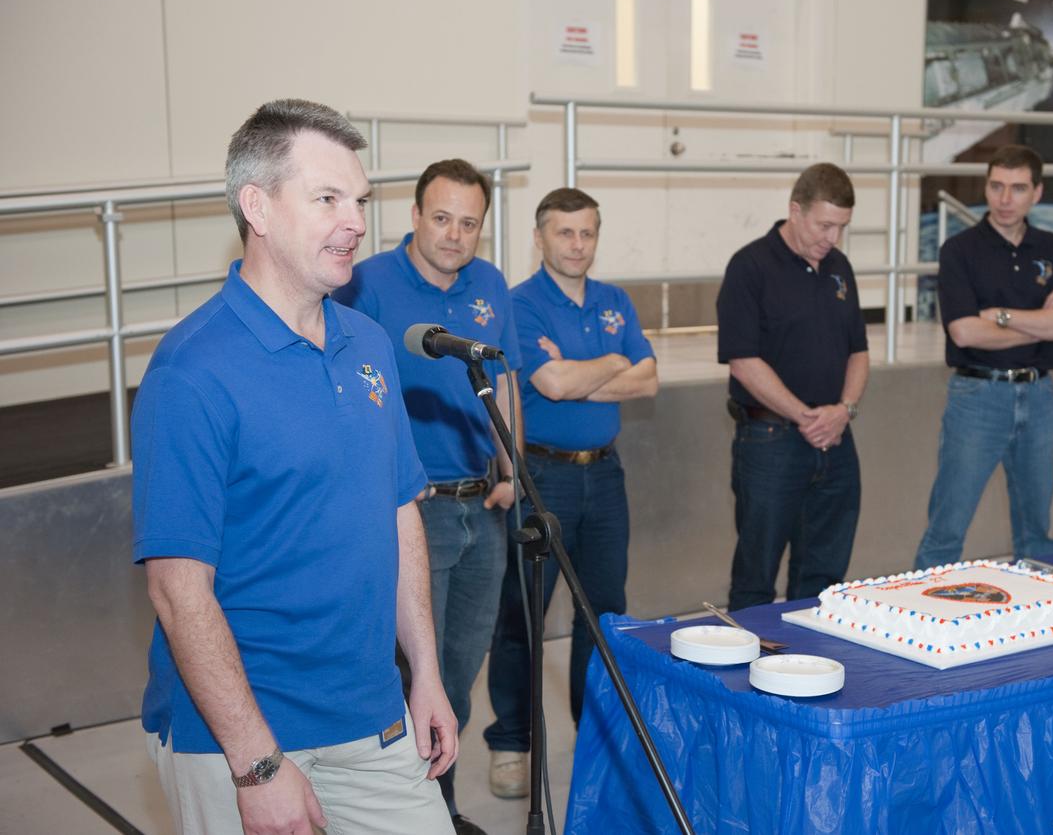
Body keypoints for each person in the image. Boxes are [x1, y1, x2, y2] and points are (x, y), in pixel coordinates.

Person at [130, 99, 456, 834]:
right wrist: (258, 764)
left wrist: (425, 671)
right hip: (241, 736)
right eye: (327, 199)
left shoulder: (369, 344)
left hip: (371, 713)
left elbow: (399, 512)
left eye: (361, 200)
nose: (358, 222)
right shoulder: (191, 372)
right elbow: (178, 593)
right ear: (258, 208)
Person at [334, 158, 521, 835]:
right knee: (417, 671)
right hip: (415, 513)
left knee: (461, 671)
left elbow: (503, 382)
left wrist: (511, 472)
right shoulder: (368, 285)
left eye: (469, 222)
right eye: (441, 218)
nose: (454, 234)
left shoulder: (492, 284)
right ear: (414, 215)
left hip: (483, 509)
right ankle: (407, 812)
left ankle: (437, 805)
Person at [483, 187, 657, 799]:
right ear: (540, 237)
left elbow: (649, 378)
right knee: (522, 615)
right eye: (565, 233)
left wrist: (588, 369)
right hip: (543, 477)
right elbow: (550, 383)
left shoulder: (614, 301)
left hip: (605, 475)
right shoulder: (519, 304)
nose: (577, 245)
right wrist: (614, 362)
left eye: (587, 233)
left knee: (604, 614)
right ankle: (511, 743)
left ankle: (598, 735)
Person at [913, 144, 1053, 571]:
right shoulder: (960, 250)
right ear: (986, 188)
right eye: (996, 186)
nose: (1005, 199)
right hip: (978, 394)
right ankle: (917, 618)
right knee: (947, 526)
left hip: (1039, 394)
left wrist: (1003, 318)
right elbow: (965, 332)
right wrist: (1040, 320)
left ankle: (1041, 617)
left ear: (1037, 193)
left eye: (1018, 188)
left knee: (1037, 530)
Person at [716, 162, 870, 612]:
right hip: (771, 441)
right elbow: (744, 362)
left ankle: (811, 669)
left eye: (842, 227)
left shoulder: (839, 268)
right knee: (756, 575)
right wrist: (806, 417)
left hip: (836, 438)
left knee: (824, 574)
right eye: (824, 225)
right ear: (795, 211)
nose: (832, 238)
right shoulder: (750, 267)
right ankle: (747, 677)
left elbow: (858, 351)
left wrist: (845, 409)